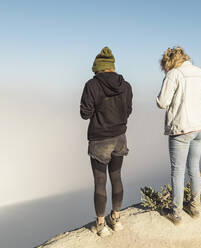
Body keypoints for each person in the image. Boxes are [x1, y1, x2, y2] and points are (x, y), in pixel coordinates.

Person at [156, 46, 201, 225]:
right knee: (194, 167)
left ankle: (176, 213)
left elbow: (162, 102)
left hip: (182, 128)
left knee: (178, 171)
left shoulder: (174, 74)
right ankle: (195, 206)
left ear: (169, 61)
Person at [80, 46, 133, 236]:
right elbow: (128, 111)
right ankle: (116, 219)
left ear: (98, 67)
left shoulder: (91, 85)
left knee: (100, 182)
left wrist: (98, 114)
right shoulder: (125, 86)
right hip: (120, 138)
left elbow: (85, 114)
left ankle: (101, 224)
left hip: (100, 140)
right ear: (112, 66)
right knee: (117, 177)